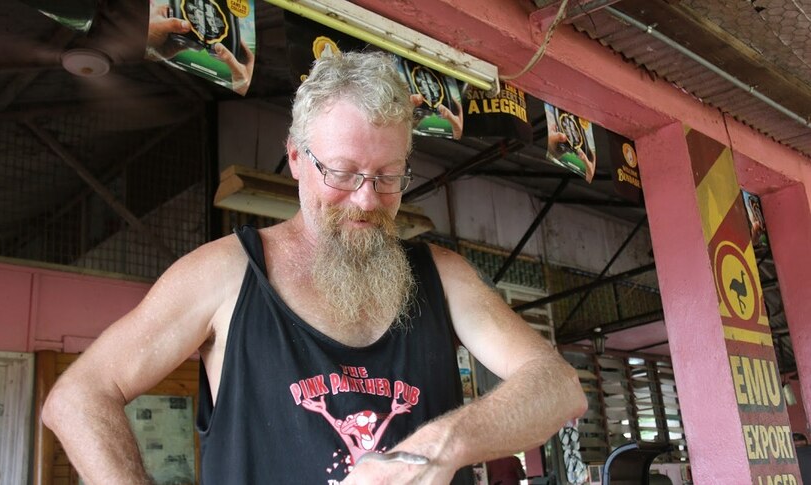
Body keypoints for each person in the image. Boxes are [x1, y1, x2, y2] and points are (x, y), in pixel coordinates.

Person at [42, 51, 586, 484]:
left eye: (388, 176)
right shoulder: (225, 275)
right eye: (344, 173)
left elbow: (559, 387)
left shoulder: (442, 276)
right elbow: (79, 395)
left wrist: (441, 446)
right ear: (297, 158)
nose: (367, 200)